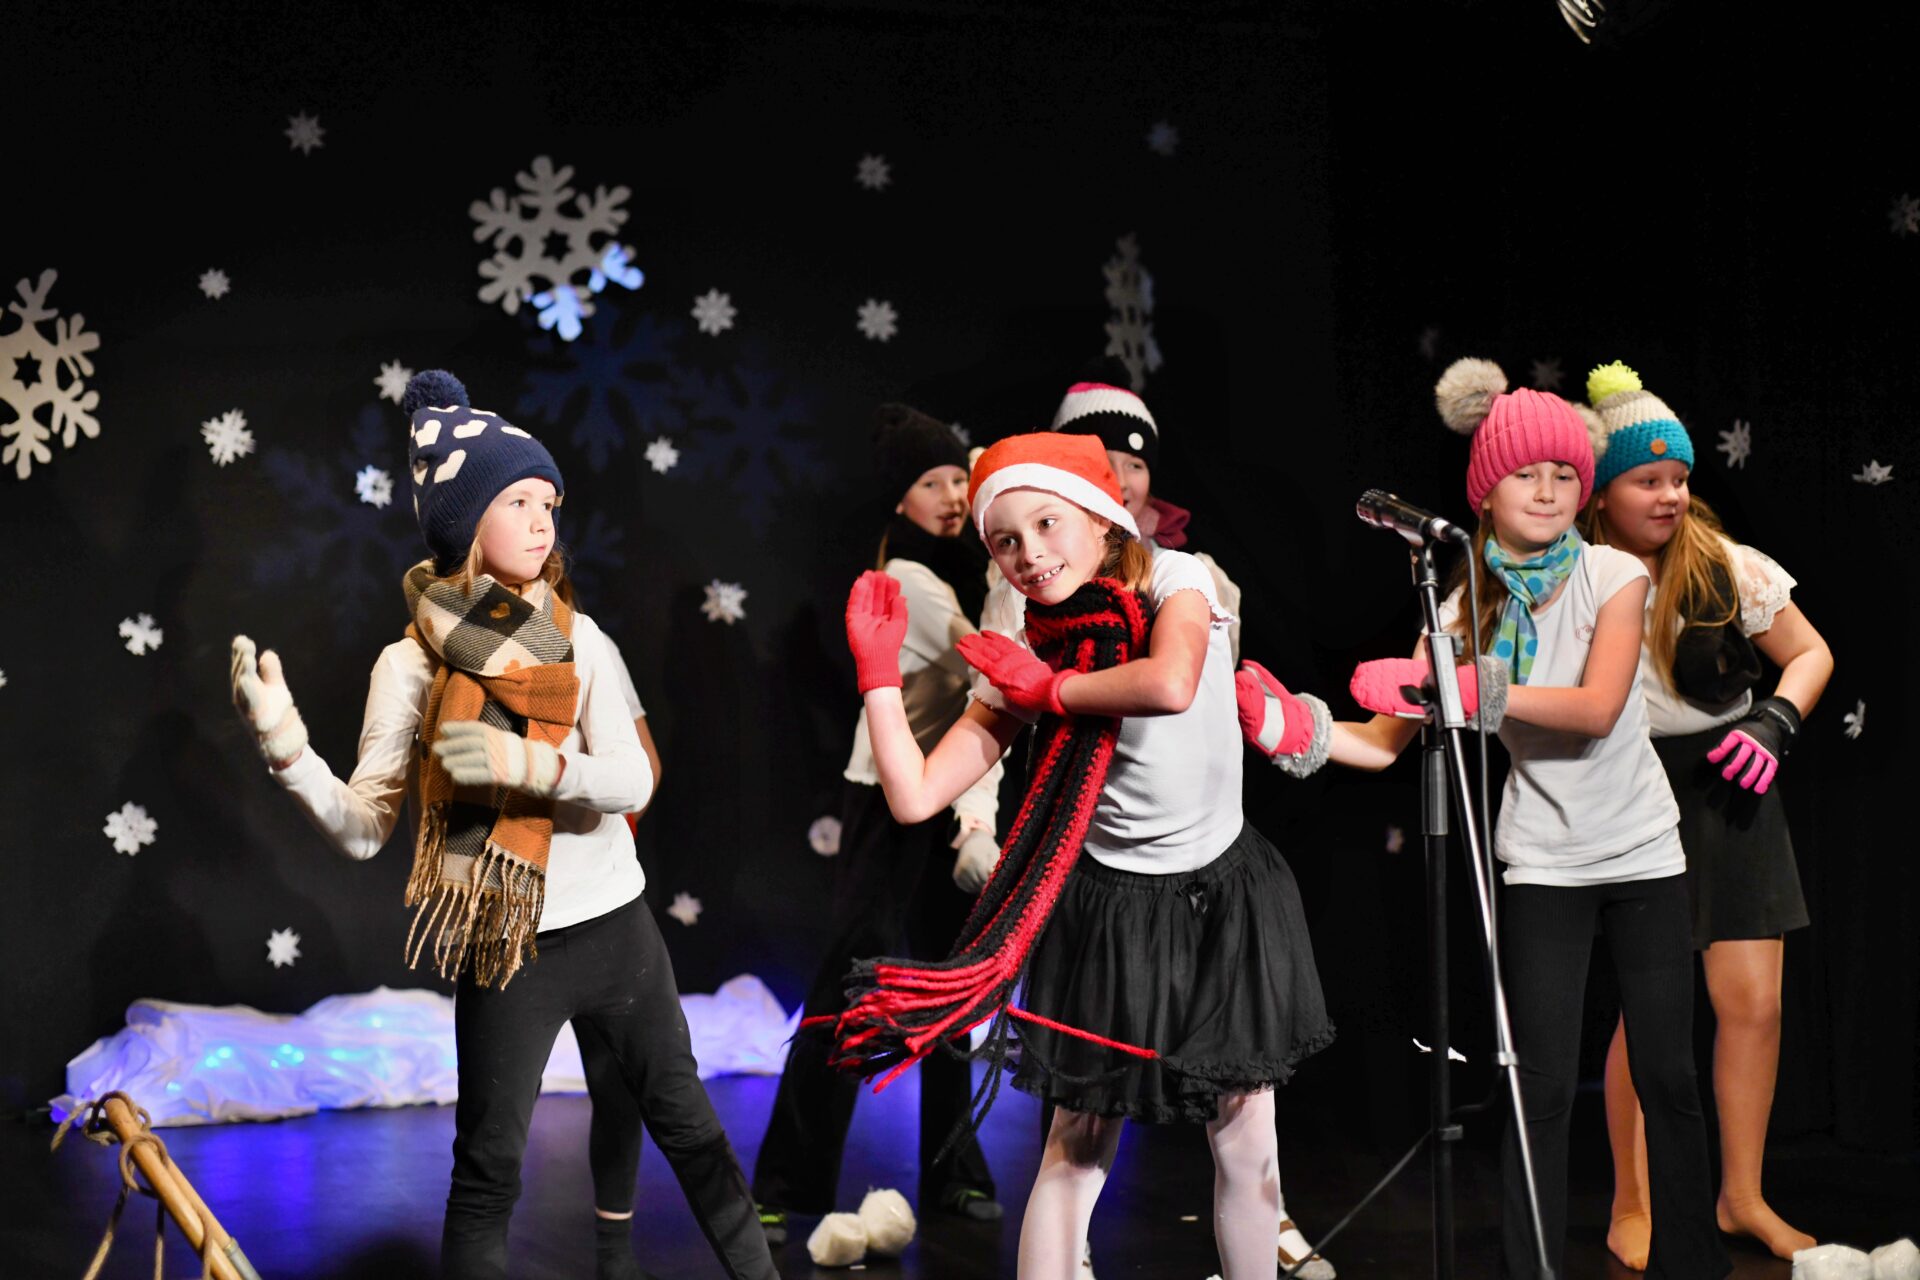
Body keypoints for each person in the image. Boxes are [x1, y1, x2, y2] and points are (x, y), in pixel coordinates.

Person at [228, 369, 775, 1280]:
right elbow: (364, 828)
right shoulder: (408, 667)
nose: (541, 521)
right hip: (505, 946)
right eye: (517, 501)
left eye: (548, 502)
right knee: (486, 1172)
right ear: (463, 523)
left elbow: (634, 778)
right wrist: (284, 744)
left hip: (618, 932)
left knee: (694, 1135)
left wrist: (532, 767)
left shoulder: (577, 639)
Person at [1244, 359, 1728, 1278]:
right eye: (1524, 473)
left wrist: (1467, 689)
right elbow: (1384, 743)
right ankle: (1528, 1267)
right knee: (1535, 1083)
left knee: (1667, 1074)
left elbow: (1595, 708)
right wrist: (1294, 727)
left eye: (1564, 474)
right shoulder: (1466, 603)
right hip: (1542, 862)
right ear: (1486, 491)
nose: (1546, 490)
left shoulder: (1614, 574)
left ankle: (1692, 1265)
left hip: (1641, 854)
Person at [833, 431, 1333, 1280]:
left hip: (1222, 894)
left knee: (1248, 1144)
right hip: (1113, 912)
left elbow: (1170, 682)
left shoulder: (1177, 578)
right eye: (1005, 541)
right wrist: (879, 681)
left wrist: (1049, 691)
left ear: (1103, 518)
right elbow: (915, 795)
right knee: (1077, 1149)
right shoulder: (1028, 645)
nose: (1029, 554)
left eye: (1047, 524)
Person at [1578, 361, 1832, 1269]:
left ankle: (1741, 1197)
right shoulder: (1580, 574)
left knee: (1753, 1003)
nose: (1671, 496)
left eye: (1680, 478)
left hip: (1732, 784)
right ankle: (1634, 1200)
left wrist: (1775, 722)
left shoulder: (1723, 564)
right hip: (1634, 787)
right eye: (1647, 480)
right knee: (1649, 1013)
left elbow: (1809, 653)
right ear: (1601, 494)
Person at [752, 403, 1005, 1243]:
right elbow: (998, 668)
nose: (953, 496)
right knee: (850, 990)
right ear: (900, 499)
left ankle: (955, 1172)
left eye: (959, 478)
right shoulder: (913, 581)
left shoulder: (963, 566)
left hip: (948, 799)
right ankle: (787, 1180)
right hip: (890, 806)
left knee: (952, 989)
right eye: (932, 483)